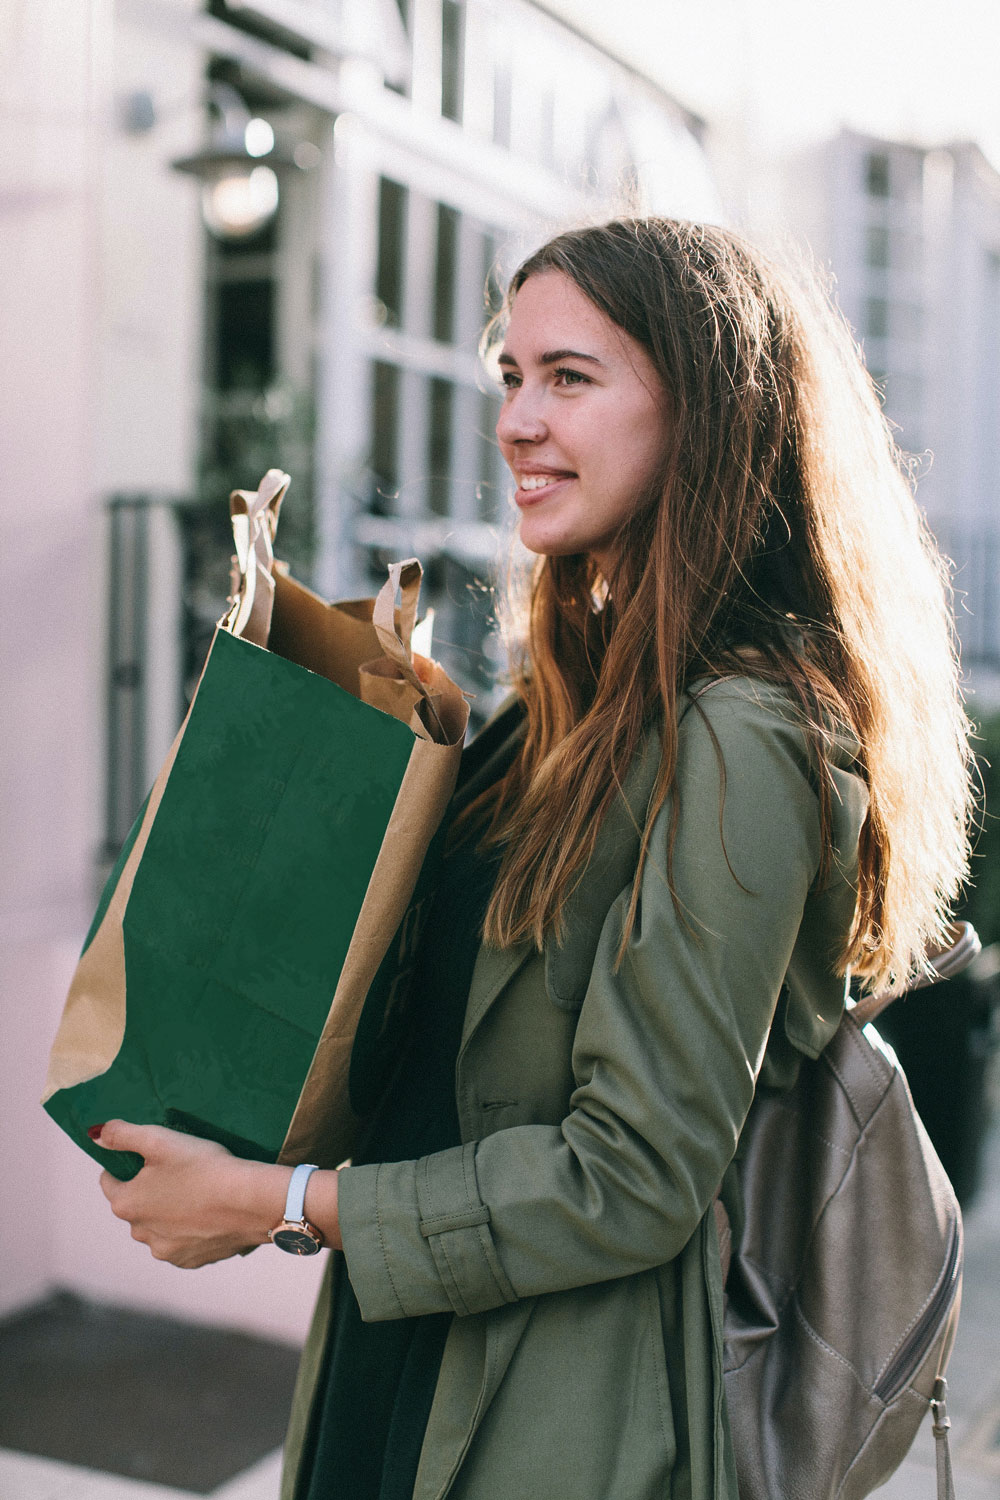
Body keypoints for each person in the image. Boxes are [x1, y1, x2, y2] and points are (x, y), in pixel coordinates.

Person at [93, 218, 973, 1500]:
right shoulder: (563, 708)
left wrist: (282, 1203)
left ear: (710, 415)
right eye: (510, 375)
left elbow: (632, 1176)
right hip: (408, 1358)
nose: (515, 420)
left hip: (557, 1417)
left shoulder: (740, 728)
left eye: (571, 377)